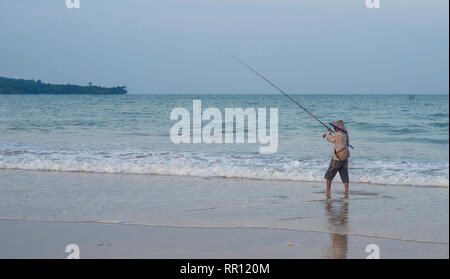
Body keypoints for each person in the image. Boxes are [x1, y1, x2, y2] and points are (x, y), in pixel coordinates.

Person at [323, 120, 350, 196]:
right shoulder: (345, 134)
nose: (334, 129)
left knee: (330, 174)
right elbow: (345, 142)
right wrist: (331, 133)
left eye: (334, 128)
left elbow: (330, 139)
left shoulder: (337, 134)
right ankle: (346, 192)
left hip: (337, 157)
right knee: (344, 173)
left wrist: (327, 134)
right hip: (345, 156)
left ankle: (327, 191)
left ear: (337, 128)